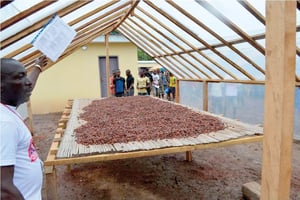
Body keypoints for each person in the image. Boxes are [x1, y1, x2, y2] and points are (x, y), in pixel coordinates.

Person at [1, 56, 47, 200]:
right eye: (20, 77)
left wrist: (38, 67)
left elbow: (28, 86)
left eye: (26, 75)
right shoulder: (4, 123)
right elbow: (3, 190)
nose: (28, 83)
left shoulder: (6, 109)